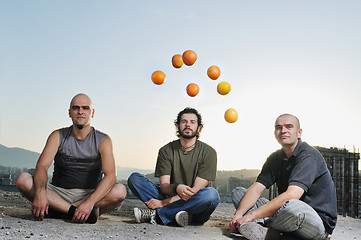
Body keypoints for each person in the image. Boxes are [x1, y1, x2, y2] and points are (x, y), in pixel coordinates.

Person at [16, 93, 127, 223]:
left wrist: (90, 202)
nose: (80, 112)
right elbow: (41, 167)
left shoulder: (104, 140)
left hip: (89, 193)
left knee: (120, 191)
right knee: (23, 179)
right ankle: (75, 213)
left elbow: (111, 176)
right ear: (70, 113)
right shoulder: (57, 135)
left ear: (92, 113)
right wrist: (41, 194)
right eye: (76, 108)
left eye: (85, 108)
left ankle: (60, 211)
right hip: (58, 193)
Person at [229, 113, 337, 240]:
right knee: (239, 193)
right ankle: (271, 231)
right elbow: (256, 189)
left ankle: (264, 226)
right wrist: (239, 214)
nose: (283, 131)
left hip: (314, 221)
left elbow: (292, 195)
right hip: (284, 215)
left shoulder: (308, 156)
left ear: (299, 132)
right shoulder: (275, 157)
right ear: (275, 132)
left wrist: (251, 215)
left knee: (292, 206)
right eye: (278, 127)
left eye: (289, 126)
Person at [127, 107, 219, 227]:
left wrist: (163, 203)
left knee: (211, 195)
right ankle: (179, 216)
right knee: (135, 179)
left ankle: (158, 215)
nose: (188, 125)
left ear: (199, 128)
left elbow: (194, 191)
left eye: (192, 122)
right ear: (177, 126)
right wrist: (177, 188)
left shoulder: (209, 152)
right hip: (170, 195)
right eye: (184, 121)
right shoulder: (166, 150)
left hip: (195, 204)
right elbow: (164, 187)